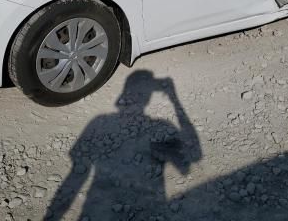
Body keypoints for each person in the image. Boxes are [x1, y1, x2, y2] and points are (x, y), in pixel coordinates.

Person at [44, 70, 202, 220]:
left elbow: (76, 175)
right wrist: (174, 99)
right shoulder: (163, 125)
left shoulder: (99, 121)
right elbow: (193, 157)